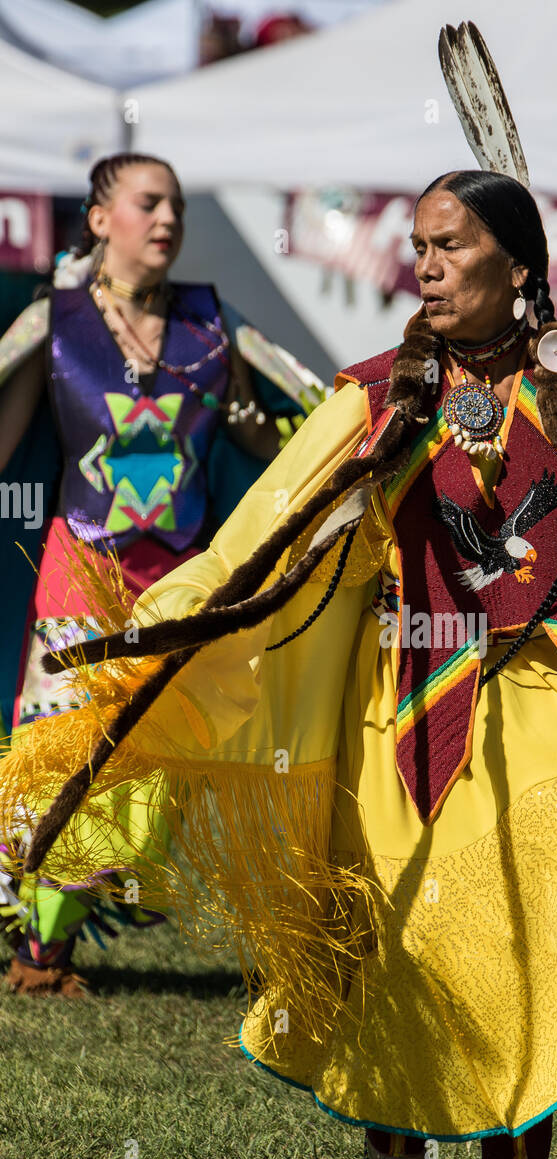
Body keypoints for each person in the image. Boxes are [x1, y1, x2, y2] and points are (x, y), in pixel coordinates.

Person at [1, 170, 557, 1159]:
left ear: (518, 268)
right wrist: (167, 631)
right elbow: (266, 532)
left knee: (543, 916)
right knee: (399, 928)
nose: (427, 264)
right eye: (418, 246)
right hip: (408, 700)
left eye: (452, 246)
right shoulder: (372, 397)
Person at [0, 151, 324, 996]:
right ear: (102, 218)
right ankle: (42, 956)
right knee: (63, 761)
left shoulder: (213, 325)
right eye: (150, 204)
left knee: (145, 775)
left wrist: (262, 429)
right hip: (81, 571)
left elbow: (282, 421)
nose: (169, 220)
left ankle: (48, 944)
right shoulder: (54, 322)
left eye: (177, 205)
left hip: (177, 583)